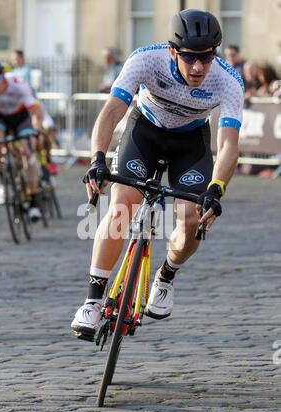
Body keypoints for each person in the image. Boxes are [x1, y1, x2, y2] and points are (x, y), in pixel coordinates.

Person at [71, 9, 245, 341]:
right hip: (145, 133)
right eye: (190, 57)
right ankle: (93, 301)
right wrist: (97, 159)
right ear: (173, 52)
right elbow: (111, 112)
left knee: (192, 218)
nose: (198, 67)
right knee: (122, 207)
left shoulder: (227, 79)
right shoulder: (145, 60)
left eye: (206, 57)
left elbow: (228, 145)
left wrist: (217, 189)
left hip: (190, 145)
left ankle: (165, 276)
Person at [0, 60, 43, 220]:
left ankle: (33, 201)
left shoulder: (18, 84)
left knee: (28, 152)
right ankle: (4, 180)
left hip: (22, 116)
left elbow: (35, 113)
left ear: (3, 76)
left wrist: (36, 129)